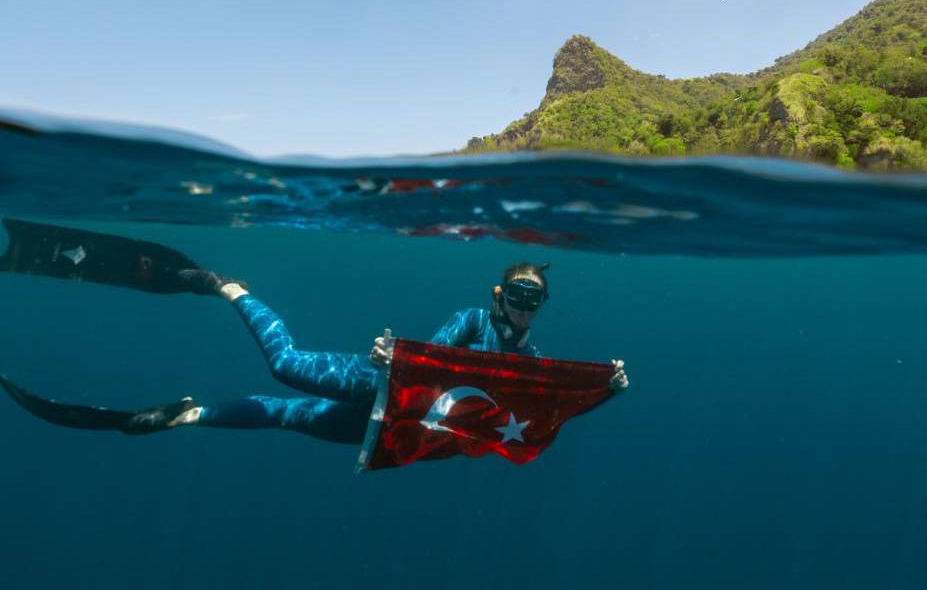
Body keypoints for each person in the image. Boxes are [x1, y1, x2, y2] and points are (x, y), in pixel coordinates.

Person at [1, 262, 628, 443]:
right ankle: (232, 288)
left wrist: (603, 392)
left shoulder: (530, 361)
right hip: (377, 384)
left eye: (534, 299)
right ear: (500, 295)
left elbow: (542, 412)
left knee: (287, 416)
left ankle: (188, 414)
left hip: (389, 424)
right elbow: (436, 358)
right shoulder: (472, 320)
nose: (524, 306)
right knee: (284, 365)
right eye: (518, 294)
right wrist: (392, 360)